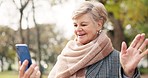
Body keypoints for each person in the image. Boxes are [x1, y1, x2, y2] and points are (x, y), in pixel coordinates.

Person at [18, 1, 148, 78]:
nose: (78, 29)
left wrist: (128, 73)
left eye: (83, 24)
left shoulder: (117, 59)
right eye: (75, 25)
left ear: (99, 24)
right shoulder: (66, 55)